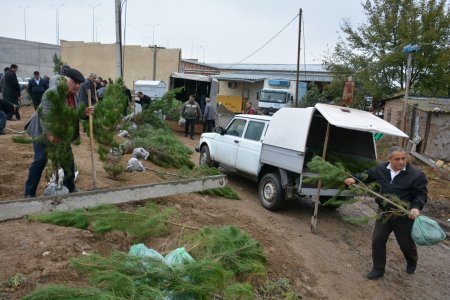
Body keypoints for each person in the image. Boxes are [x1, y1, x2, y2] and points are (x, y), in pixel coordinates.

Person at [344, 146, 428, 280]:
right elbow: (367, 175)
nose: (401, 162)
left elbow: (421, 194)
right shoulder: (381, 169)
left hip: (403, 215)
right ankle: (378, 269)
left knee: (405, 244)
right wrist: (354, 179)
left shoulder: (416, 175)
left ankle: (412, 261)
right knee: (377, 240)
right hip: (384, 211)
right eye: (397, 159)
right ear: (389, 159)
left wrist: (416, 207)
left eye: (403, 158)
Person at [24, 68, 94, 197]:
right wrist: (50, 134)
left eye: (80, 83)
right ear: (65, 80)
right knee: (40, 160)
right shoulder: (52, 93)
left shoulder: (74, 95)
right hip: (42, 132)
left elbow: (73, 113)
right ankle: (29, 193)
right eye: (75, 82)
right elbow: (46, 116)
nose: (78, 86)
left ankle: (70, 188)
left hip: (61, 134)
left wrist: (84, 112)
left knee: (68, 161)